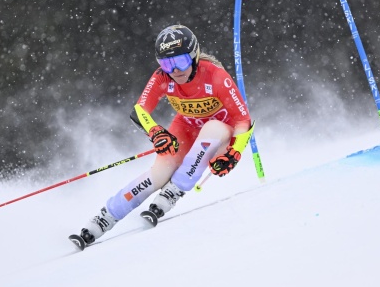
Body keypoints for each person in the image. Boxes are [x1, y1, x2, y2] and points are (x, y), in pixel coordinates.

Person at [77, 25, 254, 244]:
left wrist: (235, 153)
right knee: (159, 174)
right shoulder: (163, 77)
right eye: (167, 64)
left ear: (194, 56)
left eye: (181, 61)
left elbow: (243, 120)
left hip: (222, 134)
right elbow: (140, 110)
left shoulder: (216, 77)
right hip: (187, 128)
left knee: (211, 129)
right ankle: (105, 217)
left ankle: (174, 190)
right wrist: (156, 132)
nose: (175, 70)